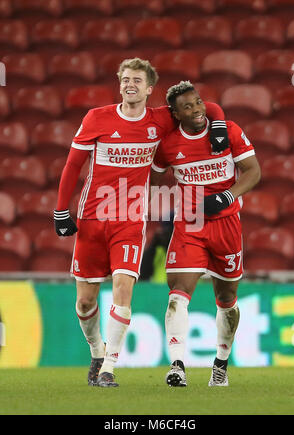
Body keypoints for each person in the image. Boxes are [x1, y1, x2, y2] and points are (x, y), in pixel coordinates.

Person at [53, 58, 229, 388]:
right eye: (124, 79)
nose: (129, 84)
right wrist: (61, 211)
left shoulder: (160, 120)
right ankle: (96, 350)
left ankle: (108, 368)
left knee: (123, 290)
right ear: (119, 85)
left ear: (149, 89)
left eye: (137, 79)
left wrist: (217, 125)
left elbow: (207, 105)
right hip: (93, 218)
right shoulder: (97, 118)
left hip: (131, 220)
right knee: (85, 302)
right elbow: (72, 165)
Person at [151, 81, 261, 387]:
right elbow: (155, 175)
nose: (197, 110)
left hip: (227, 224)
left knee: (226, 298)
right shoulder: (169, 144)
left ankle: (220, 365)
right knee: (177, 296)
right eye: (188, 107)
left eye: (198, 103)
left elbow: (253, 172)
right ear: (176, 113)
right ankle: (176, 365)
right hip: (190, 224)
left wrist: (227, 196)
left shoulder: (227, 130)